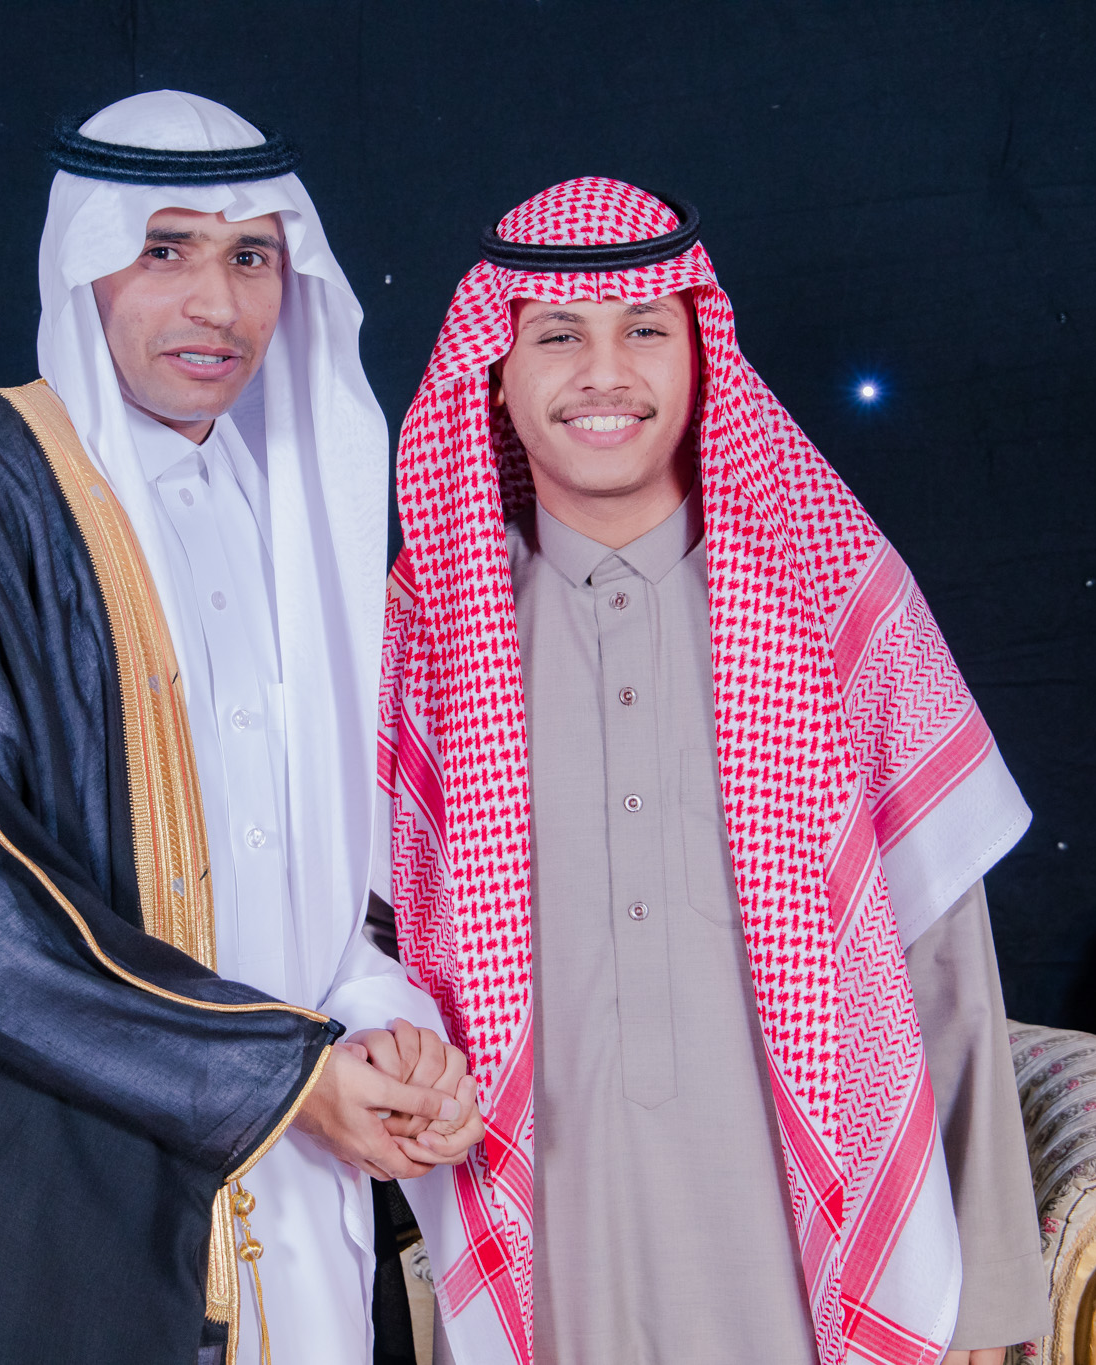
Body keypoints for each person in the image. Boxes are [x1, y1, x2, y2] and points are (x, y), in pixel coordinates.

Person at [0, 90, 481, 1365]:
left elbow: (330, 852)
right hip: (71, 1193)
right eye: (165, 251)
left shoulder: (293, 507)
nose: (216, 305)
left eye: (250, 257)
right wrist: (275, 1075)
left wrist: (378, 1015)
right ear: (84, 264)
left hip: (310, 1174)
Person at [375, 178, 1047, 1365]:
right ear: (494, 372)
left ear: (700, 356)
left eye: (644, 329)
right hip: (545, 1263)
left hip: (808, 1266)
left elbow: (947, 970)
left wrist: (987, 1307)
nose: (604, 374)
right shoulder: (423, 645)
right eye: (556, 337)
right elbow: (367, 959)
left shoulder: (832, 607)